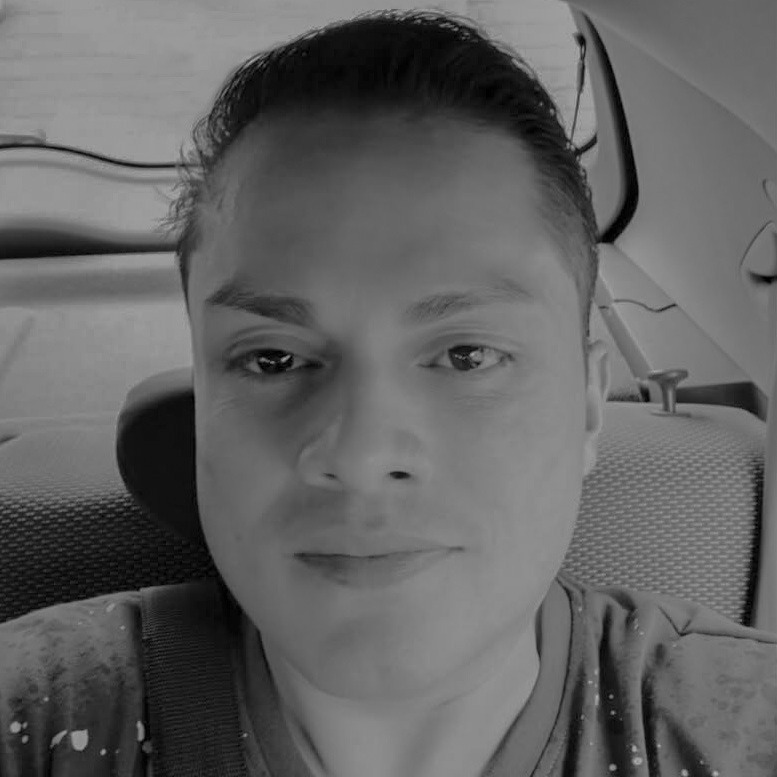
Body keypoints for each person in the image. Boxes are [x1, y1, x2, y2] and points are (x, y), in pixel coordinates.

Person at [1, 9, 775, 777]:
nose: (361, 454)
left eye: (467, 355)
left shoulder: (739, 722)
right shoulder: (36, 712)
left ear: (588, 404)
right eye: (272, 358)